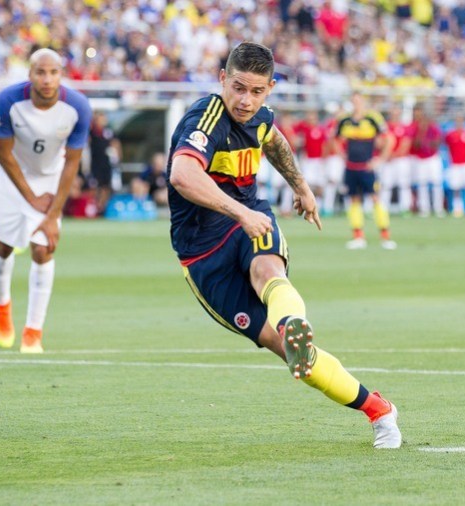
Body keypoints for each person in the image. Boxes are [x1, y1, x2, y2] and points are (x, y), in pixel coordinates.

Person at [167, 41, 401, 449]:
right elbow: (182, 175)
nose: (246, 100)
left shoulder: (260, 117)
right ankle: (378, 405)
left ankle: (298, 327)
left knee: (267, 271)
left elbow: (272, 140)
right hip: (201, 252)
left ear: (270, 88)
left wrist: (301, 187)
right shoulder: (205, 118)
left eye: (257, 91)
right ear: (222, 79)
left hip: (249, 219)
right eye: (238, 87)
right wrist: (239, 212)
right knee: (296, 359)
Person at [0, 48, 92, 353]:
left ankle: (33, 331)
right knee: (4, 245)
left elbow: (72, 162)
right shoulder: (7, 101)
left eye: (53, 72)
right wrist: (29, 197)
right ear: (30, 74)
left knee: (44, 248)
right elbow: (3, 154)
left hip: (50, 179)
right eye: (40, 72)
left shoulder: (78, 107)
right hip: (11, 178)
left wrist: (52, 213)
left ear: (62, 74)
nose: (47, 79)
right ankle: (2, 306)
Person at [333, 92, 397, 250]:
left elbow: (389, 139)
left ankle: (385, 236)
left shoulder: (373, 118)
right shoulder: (344, 120)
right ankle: (358, 236)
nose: (356, 104)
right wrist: (342, 155)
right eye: (354, 101)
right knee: (354, 200)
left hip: (367, 167)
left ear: (364, 102)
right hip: (351, 167)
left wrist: (380, 159)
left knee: (375, 198)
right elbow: (334, 138)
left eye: (359, 101)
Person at [410, 104, 444, 217]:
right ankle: (424, 209)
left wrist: (428, 143)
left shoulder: (433, 127)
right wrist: (421, 132)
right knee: (422, 184)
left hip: (432, 158)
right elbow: (415, 144)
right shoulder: (415, 128)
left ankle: (438, 208)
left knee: (436, 183)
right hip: (420, 159)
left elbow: (437, 143)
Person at [381, 105, 413, 215]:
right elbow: (380, 142)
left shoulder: (404, 127)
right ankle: (383, 209)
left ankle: (405, 208)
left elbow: (406, 144)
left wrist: (394, 155)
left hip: (400, 160)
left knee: (403, 184)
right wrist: (387, 155)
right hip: (387, 160)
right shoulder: (385, 127)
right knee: (385, 184)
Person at [89, 111, 121, 214]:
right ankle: (95, 207)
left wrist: (117, 159)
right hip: (94, 164)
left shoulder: (109, 132)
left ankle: (102, 208)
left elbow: (116, 145)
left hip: (107, 165)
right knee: (95, 186)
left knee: (105, 187)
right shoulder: (91, 132)